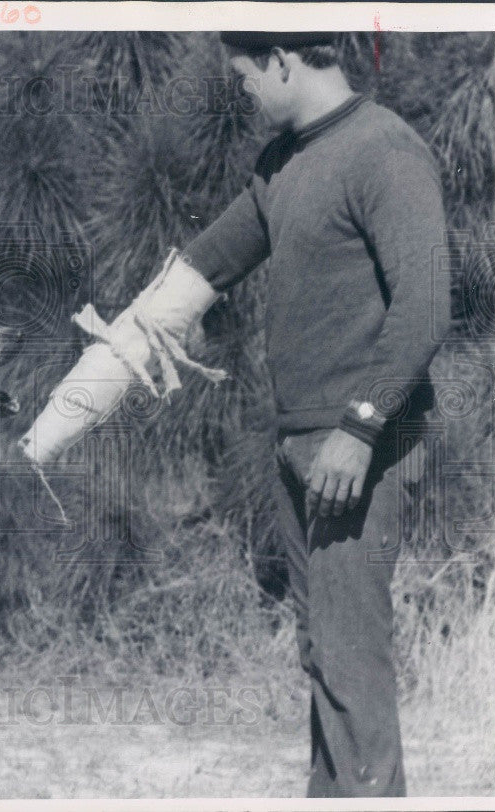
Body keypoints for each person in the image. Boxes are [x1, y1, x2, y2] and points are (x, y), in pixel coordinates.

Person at [178, 31, 448, 796]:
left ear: (284, 61)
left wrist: (360, 429)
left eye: (245, 79)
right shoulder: (282, 163)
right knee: (322, 654)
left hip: (361, 446)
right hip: (299, 445)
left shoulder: (385, 152)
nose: (243, 96)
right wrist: (141, 328)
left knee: (352, 659)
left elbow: (426, 310)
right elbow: (208, 261)